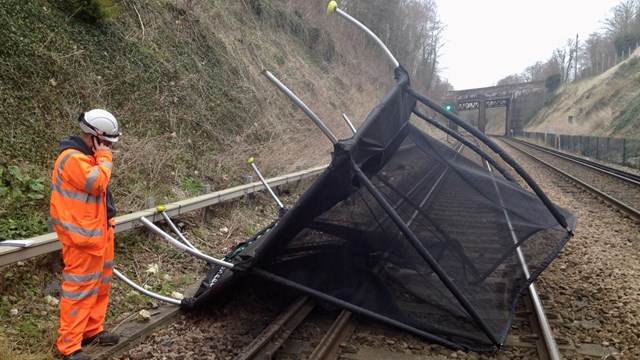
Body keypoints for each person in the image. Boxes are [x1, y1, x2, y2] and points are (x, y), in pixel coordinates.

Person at [50, 109, 122, 360]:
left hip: (99, 233)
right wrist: (105, 156)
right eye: (107, 143)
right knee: (78, 291)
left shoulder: (87, 157)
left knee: (100, 287)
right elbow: (97, 183)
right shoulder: (72, 159)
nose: (110, 148)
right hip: (82, 239)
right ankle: (69, 346)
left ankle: (91, 331)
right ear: (95, 137)